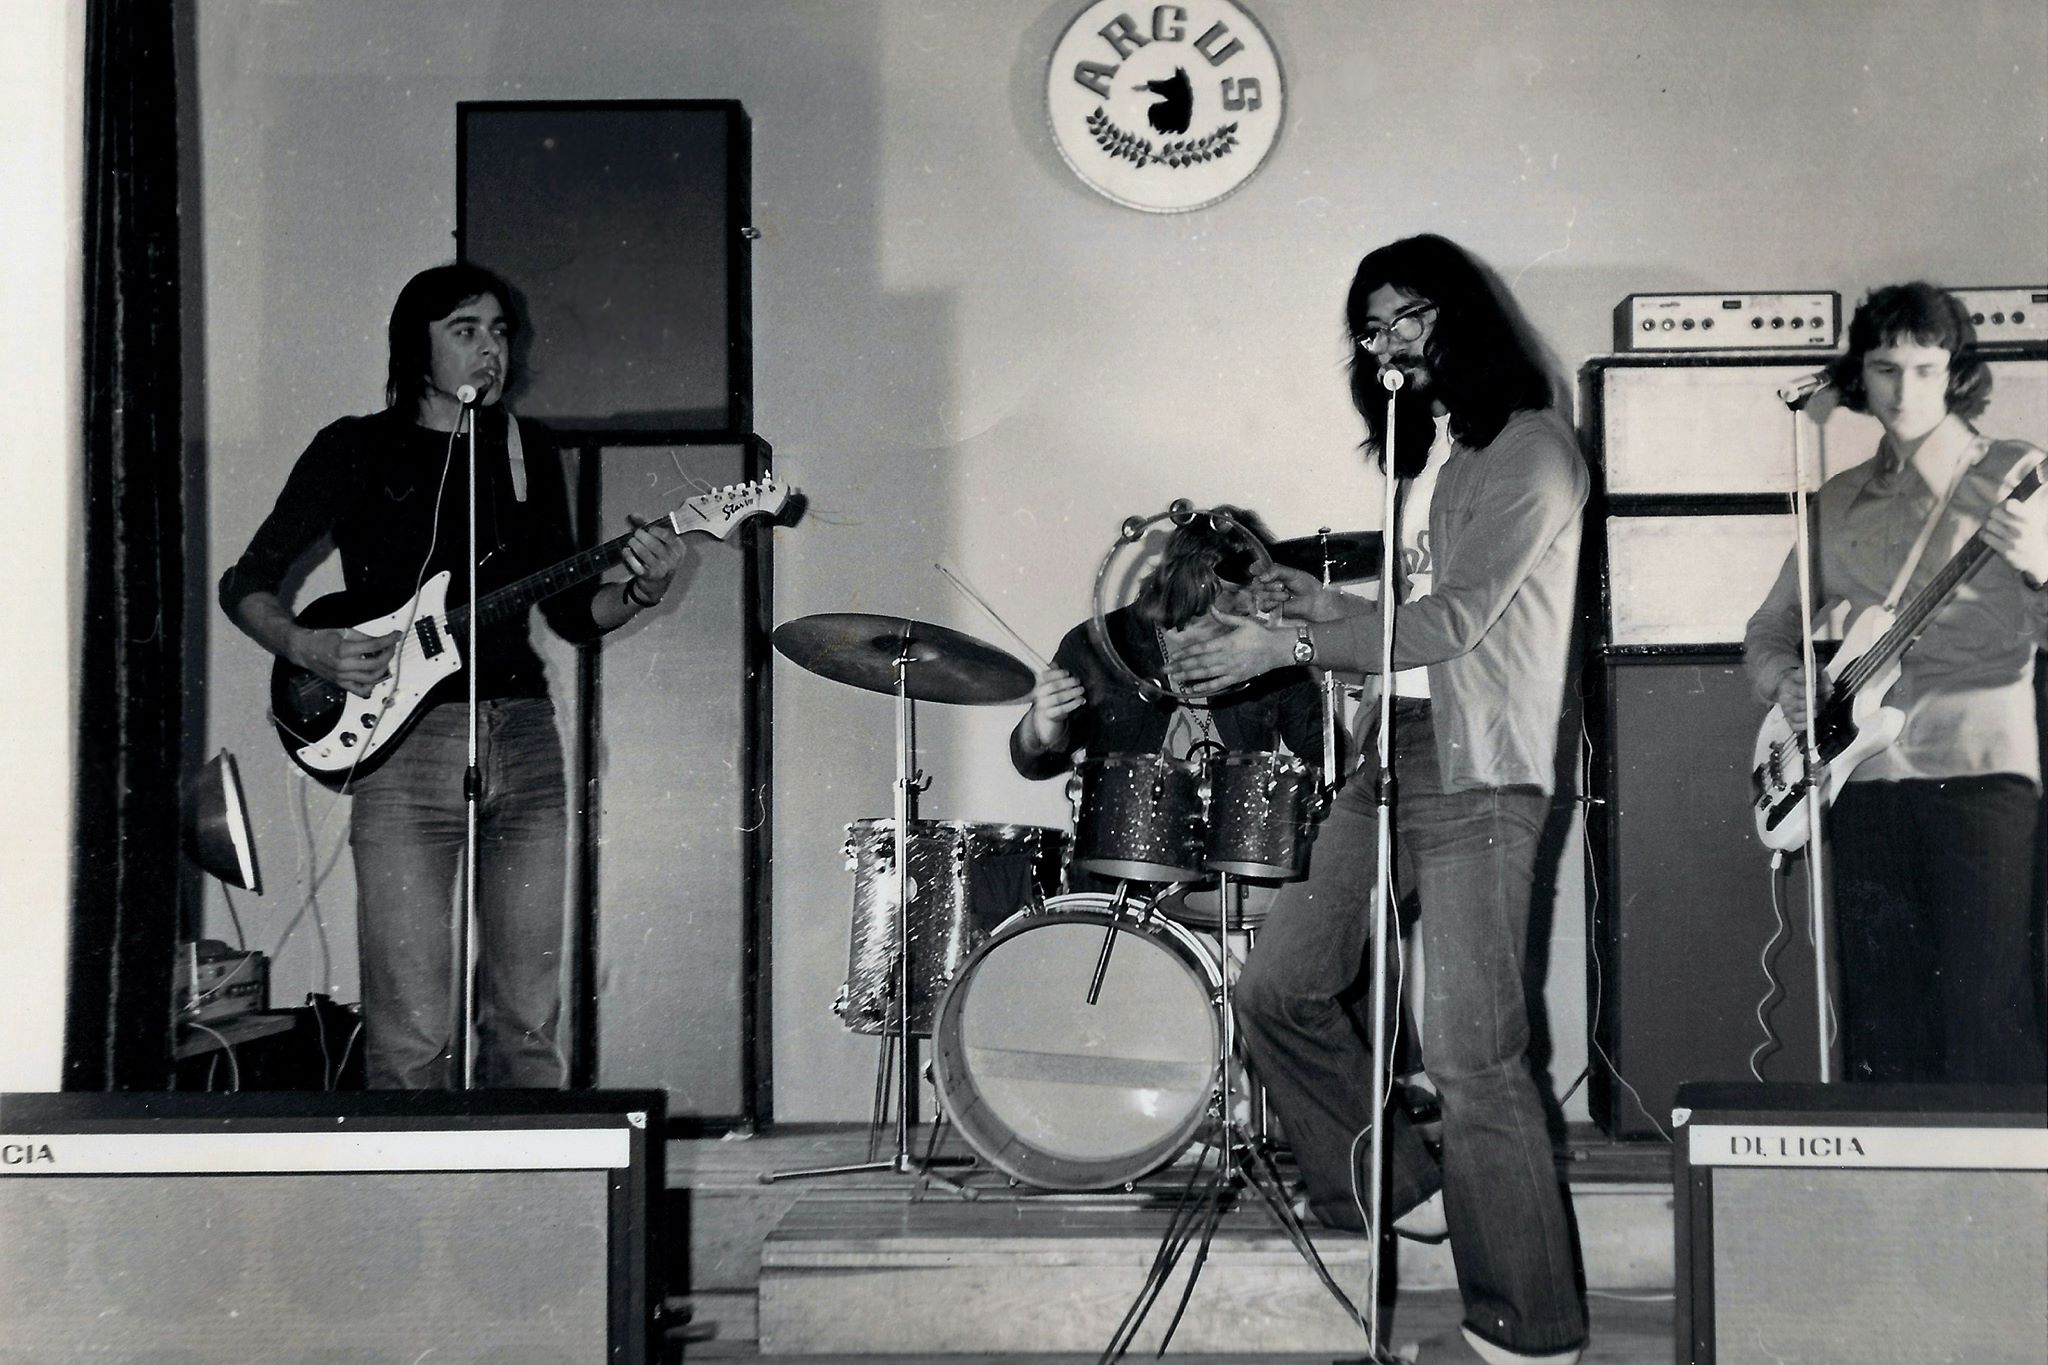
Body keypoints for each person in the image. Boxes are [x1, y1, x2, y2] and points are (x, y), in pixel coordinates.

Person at [1175, 234, 1589, 1365]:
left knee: (1471, 1056)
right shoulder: (1437, 457)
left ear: (1465, 315)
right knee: (1275, 986)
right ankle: (1407, 1187)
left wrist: (1285, 645)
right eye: (1371, 328)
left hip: (1477, 771)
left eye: (1410, 316)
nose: (1389, 344)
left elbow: (1455, 623)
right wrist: (1310, 600)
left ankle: (1529, 1331)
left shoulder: (1532, 449)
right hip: (1390, 755)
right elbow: (1411, 614)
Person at [220, 262, 685, 1089]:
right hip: (404, 751)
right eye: (466, 330)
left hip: (524, 738)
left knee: (527, 1017)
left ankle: (528, 1171)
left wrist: (643, 588)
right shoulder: (354, 447)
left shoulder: (526, 450)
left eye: (500, 331)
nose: (490, 349)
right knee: (411, 1031)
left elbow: (573, 613)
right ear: (417, 346)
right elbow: (245, 583)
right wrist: (308, 648)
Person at [1743, 281, 2048, 1086]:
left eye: (1925, 368)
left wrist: (2040, 568)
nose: (1905, 390)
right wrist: (1787, 681)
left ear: (1955, 373)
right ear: (1861, 376)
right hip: (1865, 779)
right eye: (1885, 368)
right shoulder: (1840, 498)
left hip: (1980, 775)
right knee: (1884, 1022)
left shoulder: (2019, 474)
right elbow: (1770, 625)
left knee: (1988, 1018)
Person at [1011, 506, 1331, 790]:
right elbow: (1034, 765)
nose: (1252, 604)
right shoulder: (1101, 643)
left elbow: (1323, 752)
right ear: (1191, 579)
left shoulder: (1268, 646)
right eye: (1235, 591)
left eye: (1258, 589)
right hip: (1128, 833)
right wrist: (1044, 728)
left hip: (1237, 833)